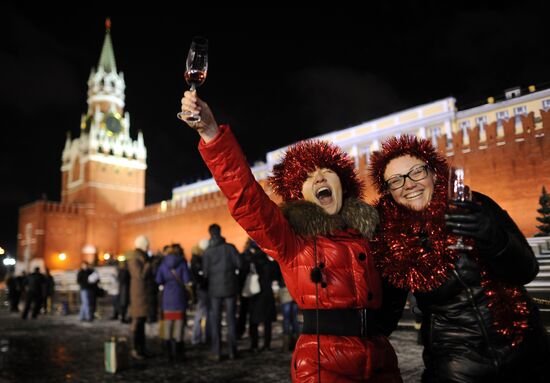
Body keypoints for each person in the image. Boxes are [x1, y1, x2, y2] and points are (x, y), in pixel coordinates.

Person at [180, 92, 402, 382]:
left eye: (326, 171)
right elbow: (246, 196)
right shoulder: (292, 240)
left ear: (342, 183)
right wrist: (211, 133)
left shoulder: (370, 233)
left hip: (381, 360)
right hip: (324, 364)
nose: (320, 178)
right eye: (310, 177)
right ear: (301, 195)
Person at [368, 135, 550, 383]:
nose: (408, 184)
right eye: (395, 180)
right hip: (457, 369)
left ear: (434, 173)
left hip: (526, 354)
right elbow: (385, 316)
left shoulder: (476, 206)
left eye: (416, 172)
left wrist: (493, 237)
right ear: (389, 192)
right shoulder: (392, 240)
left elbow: (526, 270)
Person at [202, 223, 242, 361]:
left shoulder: (207, 252)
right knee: (231, 320)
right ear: (220, 232)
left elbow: (205, 273)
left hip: (214, 291)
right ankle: (232, 351)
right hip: (230, 288)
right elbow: (240, 264)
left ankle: (216, 352)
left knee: (216, 321)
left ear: (210, 234)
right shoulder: (230, 248)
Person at [156, 244, 191, 361]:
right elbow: (186, 280)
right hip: (179, 298)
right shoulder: (182, 263)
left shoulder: (163, 264)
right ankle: (178, 353)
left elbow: (158, 280)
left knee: (168, 326)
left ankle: (167, 354)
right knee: (179, 326)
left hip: (167, 299)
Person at [245, 239, 279, 352]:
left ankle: (254, 344)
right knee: (267, 321)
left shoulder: (251, 262)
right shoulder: (270, 263)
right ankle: (267, 344)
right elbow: (277, 275)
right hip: (267, 294)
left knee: (253, 321)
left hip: (255, 294)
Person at [126, 235, 153, 360]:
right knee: (137, 322)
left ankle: (142, 348)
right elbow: (140, 275)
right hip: (138, 294)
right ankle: (134, 349)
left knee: (141, 322)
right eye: (147, 244)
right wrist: (149, 264)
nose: (148, 247)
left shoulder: (141, 256)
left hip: (142, 293)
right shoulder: (134, 258)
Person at [190, 242, 210, 346]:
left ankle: (199, 338)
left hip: (200, 289)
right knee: (202, 314)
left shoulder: (195, 258)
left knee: (202, 313)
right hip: (203, 289)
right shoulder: (199, 259)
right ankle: (198, 338)